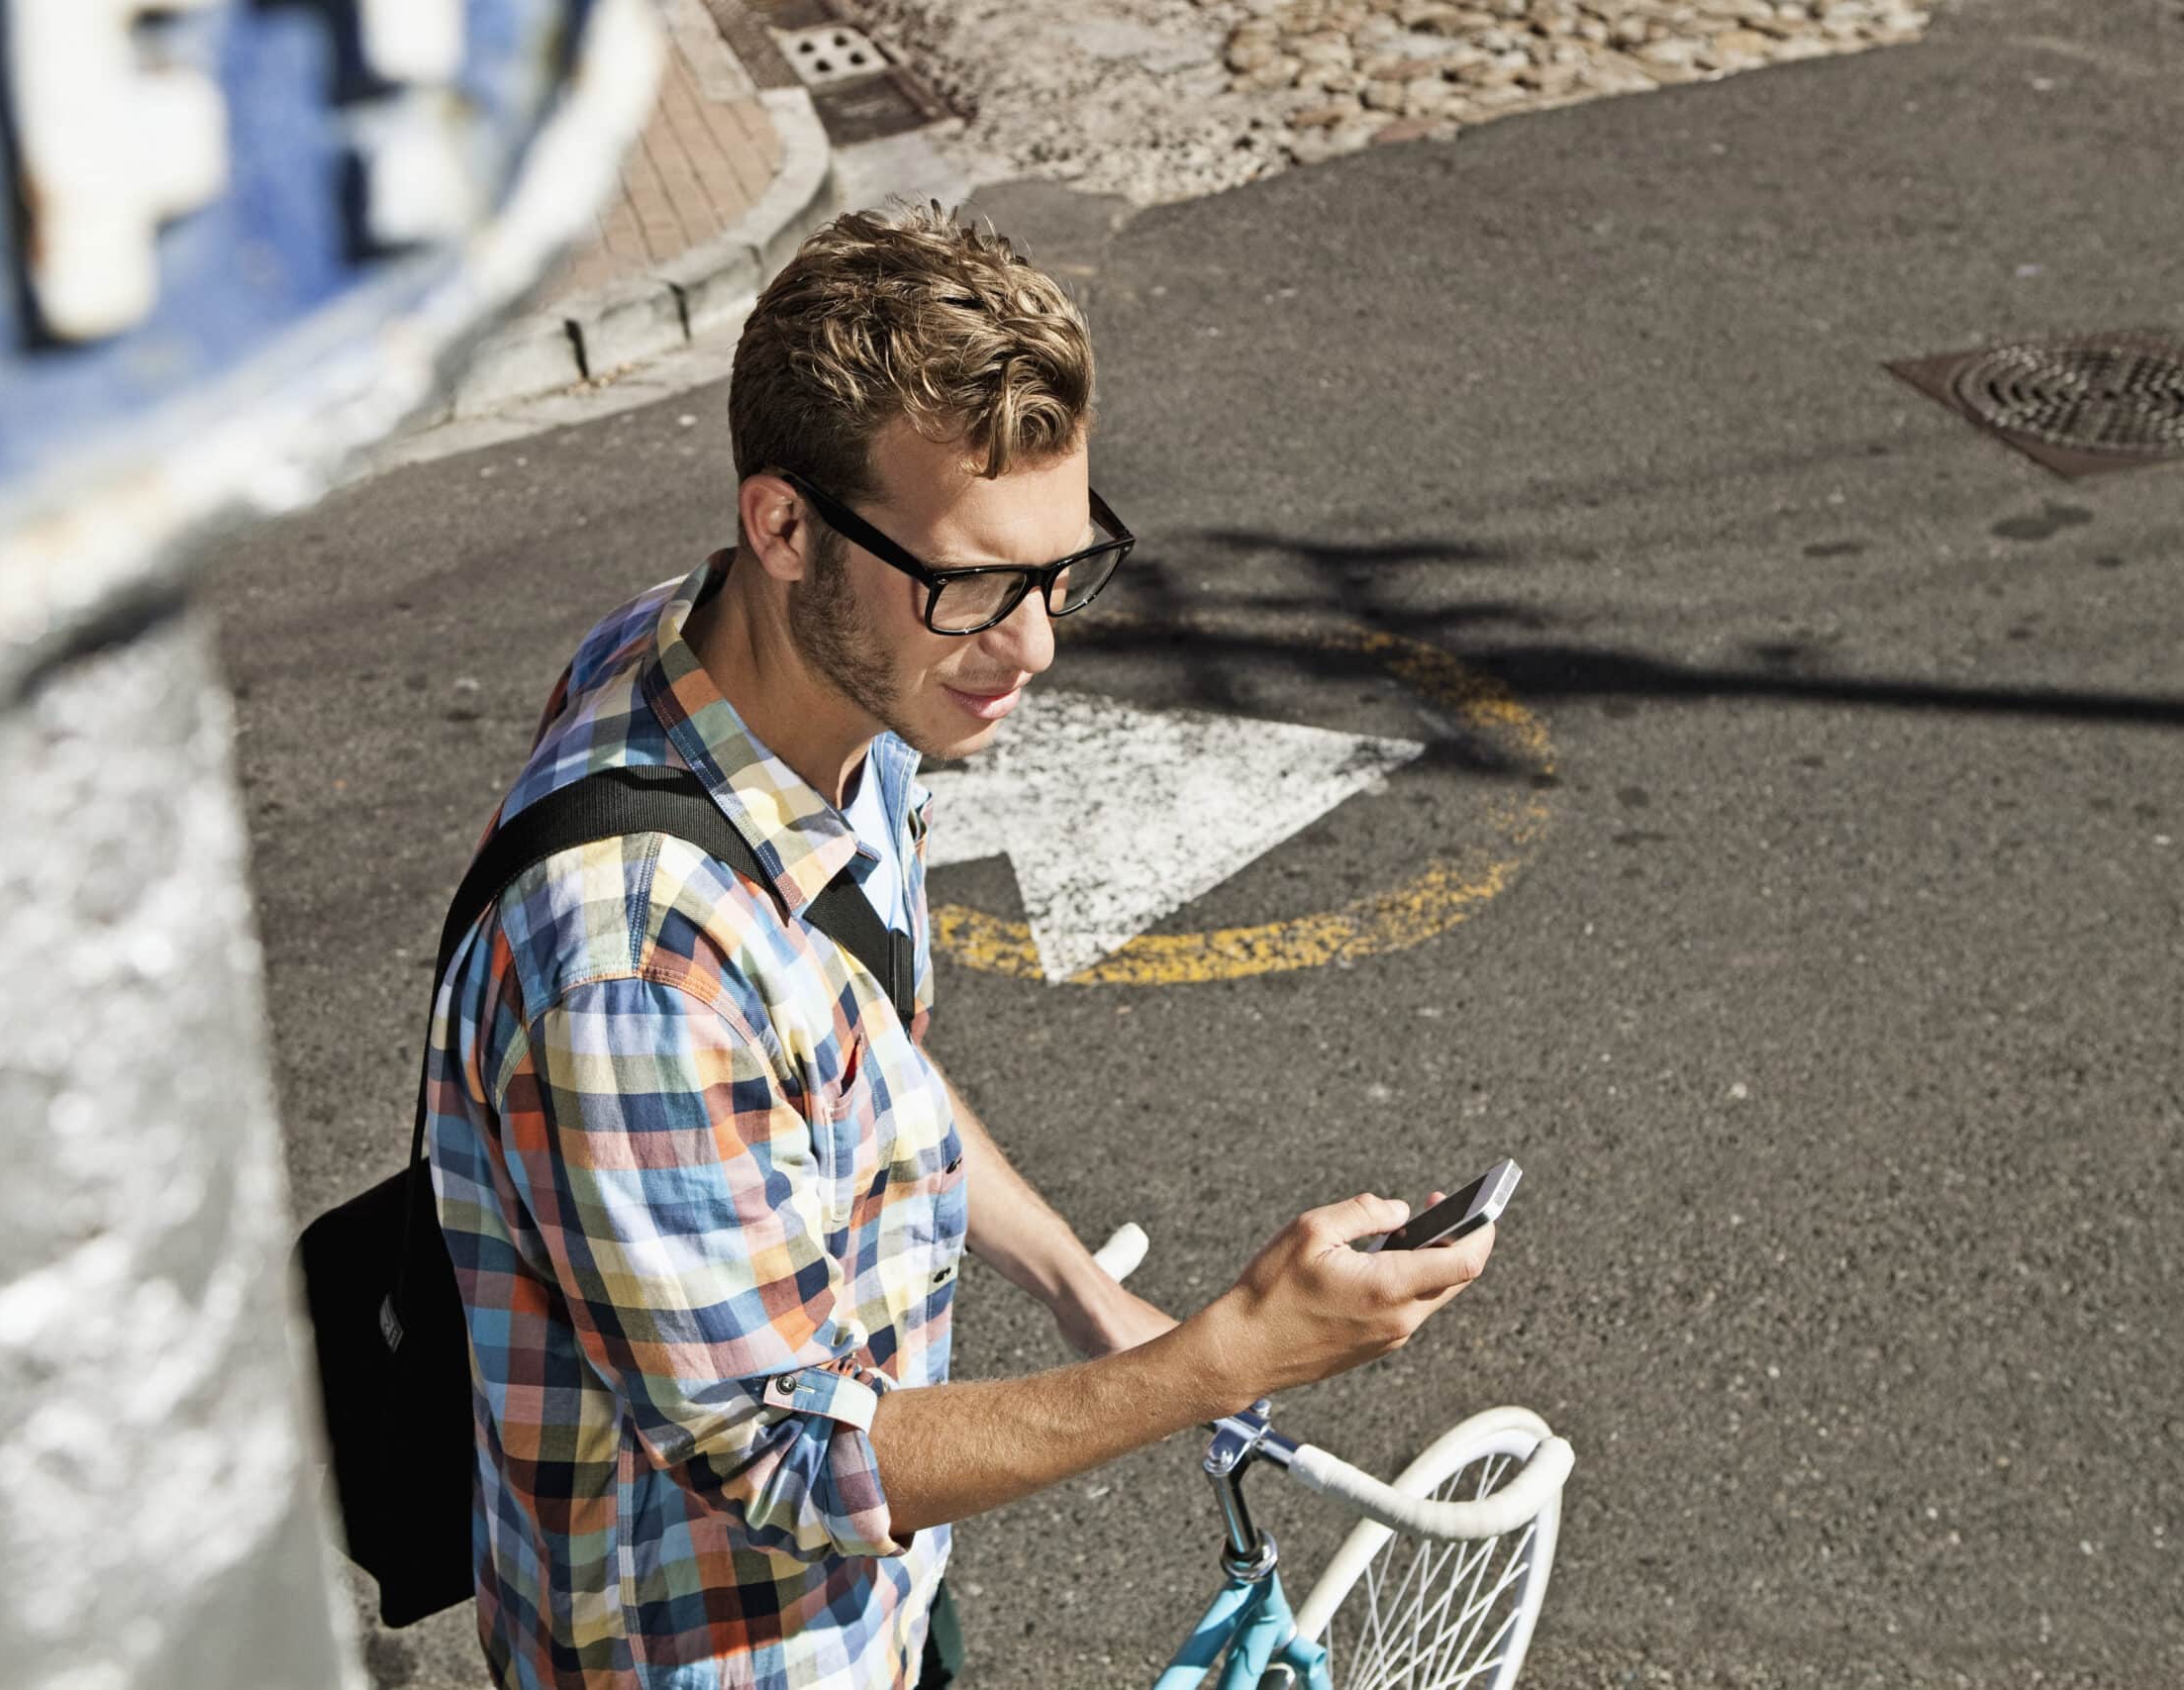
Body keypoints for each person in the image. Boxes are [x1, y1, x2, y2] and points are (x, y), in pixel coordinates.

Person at [423, 199, 1492, 1690]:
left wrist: (1072, 1278)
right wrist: (1221, 1356)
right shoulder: (636, 973)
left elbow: (864, 1059)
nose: (1034, 643)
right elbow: (795, 1467)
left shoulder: (805, 685)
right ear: (783, 526)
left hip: (881, 1611)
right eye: (973, 584)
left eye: (1060, 569)